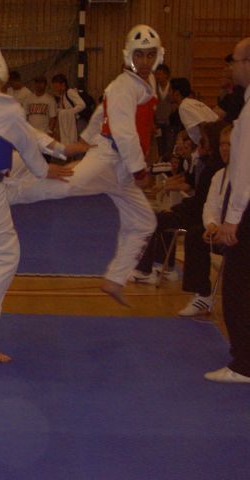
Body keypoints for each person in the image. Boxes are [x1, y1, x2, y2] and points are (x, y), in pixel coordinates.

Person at [8, 24, 166, 306]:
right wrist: (140, 170)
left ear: (159, 56)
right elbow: (124, 132)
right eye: (140, 55)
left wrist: (84, 139)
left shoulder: (147, 82)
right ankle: (8, 192)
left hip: (122, 168)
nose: (145, 61)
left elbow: (102, 112)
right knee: (66, 186)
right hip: (109, 158)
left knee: (144, 221)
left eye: (150, 55)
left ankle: (115, 279)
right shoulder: (123, 86)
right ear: (129, 55)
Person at [0, 40, 85, 362]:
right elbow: (25, 141)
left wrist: (59, 148)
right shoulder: (5, 107)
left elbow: (24, 132)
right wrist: (47, 167)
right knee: (6, 256)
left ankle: (63, 183)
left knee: (25, 179)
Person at [131, 121, 227, 285]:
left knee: (155, 220)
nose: (200, 143)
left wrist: (177, 208)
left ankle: (144, 270)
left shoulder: (212, 168)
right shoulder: (207, 164)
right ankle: (165, 266)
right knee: (164, 218)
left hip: (200, 216)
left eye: (203, 140)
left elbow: (201, 201)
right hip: (200, 213)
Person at [206, 38, 250, 384]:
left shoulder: (249, 114)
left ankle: (243, 364)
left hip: (246, 209)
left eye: (234, 61)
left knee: (237, 286)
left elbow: (244, 169)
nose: (231, 67)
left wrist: (232, 219)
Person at [178, 124, 231, 316]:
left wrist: (227, 229)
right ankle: (202, 294)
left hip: (239, 235)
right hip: (220, 232)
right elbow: (210, 206)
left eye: (230, 144)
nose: (225, 148)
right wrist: (211, 225)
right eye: (222, 144)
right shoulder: (219, 176)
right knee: (195, 236)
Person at [170, 77, 219, 146]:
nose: (169, 94)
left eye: (170, 91)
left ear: (177, 93)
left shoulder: (183, 106)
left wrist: (205, 145)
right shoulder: (195, 102)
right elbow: (215, 119)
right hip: (216, 136)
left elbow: (202, 124)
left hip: (210, 142)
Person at [51, 73, 86, 144]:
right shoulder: (62, 95)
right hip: (71, 122)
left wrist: (68, 112)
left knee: (78, 143)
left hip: (78, 122)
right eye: (54, 87)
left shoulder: (70, 92)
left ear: (63, 84)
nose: (55, 89)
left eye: (56, 86)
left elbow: (82, 105)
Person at [154, 64, 174, 157]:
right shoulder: (153, 88)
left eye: (160, 74)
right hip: (158, 122)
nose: (158, 76)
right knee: (160, 145)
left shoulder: (172, 88)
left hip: (169, 122)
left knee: (170, 144)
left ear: (166, 75)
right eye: (156, 74)